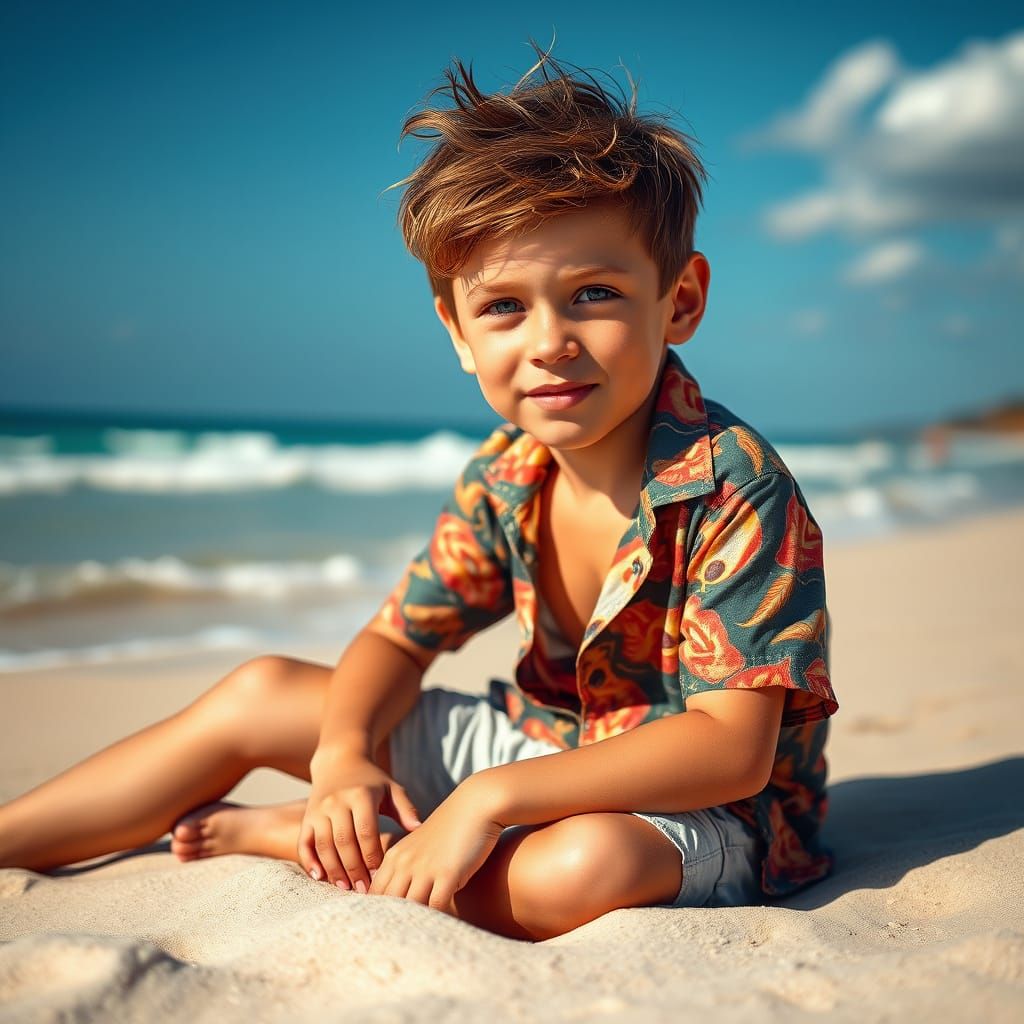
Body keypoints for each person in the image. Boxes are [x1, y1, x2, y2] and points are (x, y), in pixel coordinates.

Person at [0, 52, 838, 941]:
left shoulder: (735, 485)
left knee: (585, 865)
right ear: (458, 331)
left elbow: (730, 751)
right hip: (539, 749)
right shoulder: (507, 472)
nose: (549, 342)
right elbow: (398, 639)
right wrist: (342, 758)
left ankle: (311, 846)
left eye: (595, 294)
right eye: (505, 307)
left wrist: (487, 798)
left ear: (681, 300)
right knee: (259, 692)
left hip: (699, 815)